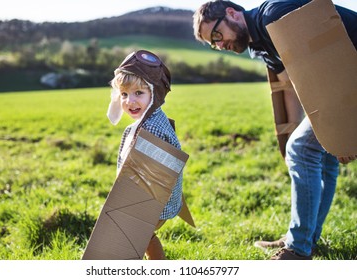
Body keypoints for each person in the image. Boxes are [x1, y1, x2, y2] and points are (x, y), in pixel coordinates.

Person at [193, 0, 357, 260]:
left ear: (232, 13)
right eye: (213, 44)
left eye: (216, 35)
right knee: (319, 155)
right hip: (340, 88)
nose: (219, 45)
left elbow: (326, 61)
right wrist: (328, 136)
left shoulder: (276, 14)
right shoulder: (259, 47)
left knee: (301, 150)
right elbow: (295, 86)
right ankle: (305, 238)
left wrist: (343, 130)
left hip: (348, 76)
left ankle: (298, 249)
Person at [107, 49, 183, 260]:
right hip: (145, 196)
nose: (130, 101)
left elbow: (151, 174)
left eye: (138, 93)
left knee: (133, 239)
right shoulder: (148, 120)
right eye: (124, 94)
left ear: (154, 93)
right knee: (145, 236)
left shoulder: (152, 129)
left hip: (153, 200)